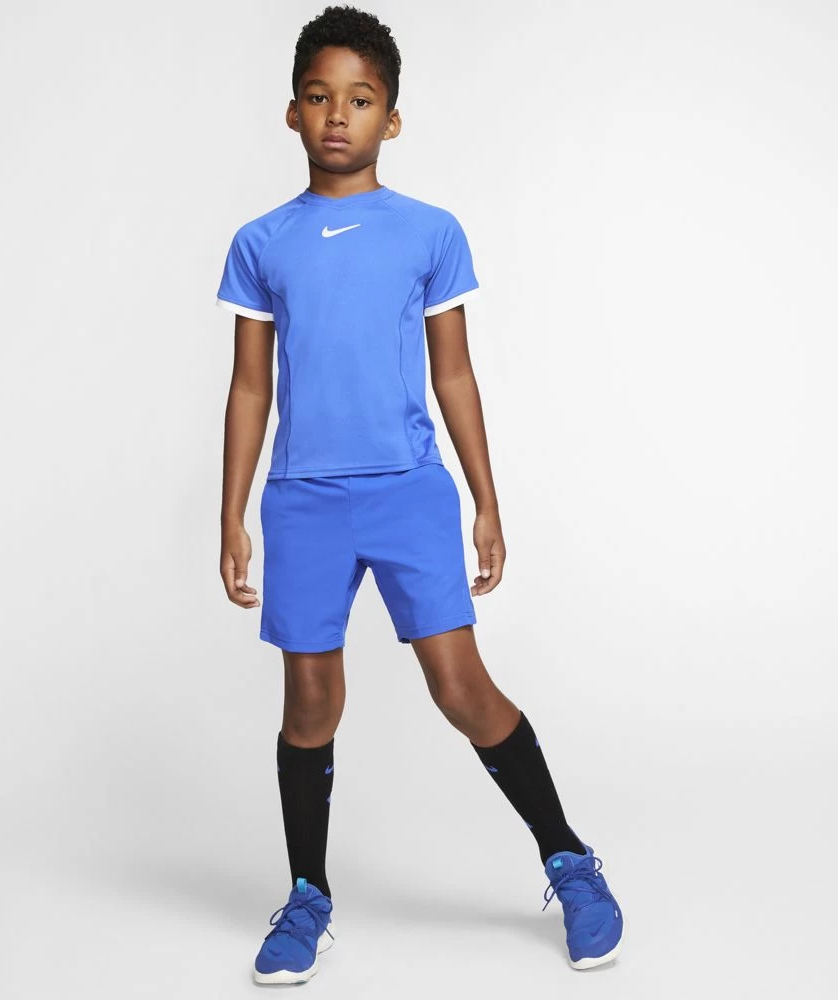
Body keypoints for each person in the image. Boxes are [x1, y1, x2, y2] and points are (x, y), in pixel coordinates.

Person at [216, 5, 623, 985]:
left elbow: (454, 375)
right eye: (319, 97)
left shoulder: (429, 232)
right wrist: (230, 513)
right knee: (310, 700)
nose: (338, 115)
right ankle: (306, 895)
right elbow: (250, 386)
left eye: (360, 100)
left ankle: (569, 859)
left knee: (459, 686)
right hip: (303, 498)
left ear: (391, 118)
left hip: (408, 492)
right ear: (291, 111)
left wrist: (486, 500)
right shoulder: (261, 242)